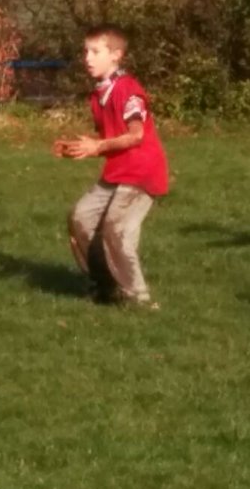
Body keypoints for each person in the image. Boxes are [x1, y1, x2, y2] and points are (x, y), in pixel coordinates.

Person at [54, 24, 169, 306]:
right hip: (118, 173)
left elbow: (135, 134)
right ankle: (105, 286)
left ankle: (138, 299)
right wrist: (82, 146)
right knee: (80, 218)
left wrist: (98, 147)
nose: (87, 58)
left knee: (116, 229)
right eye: (86, 52)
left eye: (95, 51)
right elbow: (110, 138)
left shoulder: (128, 90)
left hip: (142, 174)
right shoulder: (98, 95)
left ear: (116, 55)